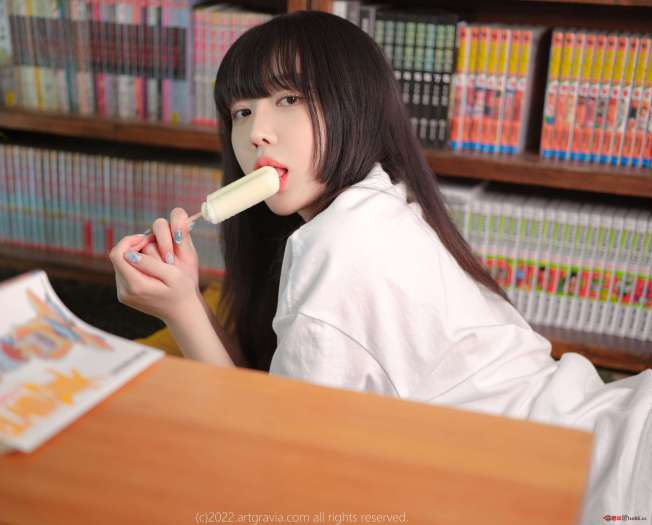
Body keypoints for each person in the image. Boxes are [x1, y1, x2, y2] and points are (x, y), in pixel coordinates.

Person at [110, 11, 652, 522]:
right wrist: (184, 301)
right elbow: (273, 403)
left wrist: (181, 309)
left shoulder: (344, 243)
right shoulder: (380, 201)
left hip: (598, 477)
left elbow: (280, 463)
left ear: (355, 105)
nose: (256, 133)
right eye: (241, 111)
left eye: (289, 98)